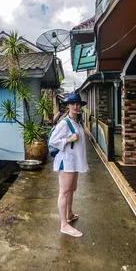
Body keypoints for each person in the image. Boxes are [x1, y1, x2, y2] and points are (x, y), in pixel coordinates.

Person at [48, 93, 88, 238]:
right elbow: (53, 141)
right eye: (73, 104)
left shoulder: (76, 121)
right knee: (64, 192)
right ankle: (64, 224)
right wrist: (68, 139)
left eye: (77, 104)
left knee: (72, 189)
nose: (75, 106)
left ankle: (69, 214)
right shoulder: (65, 123)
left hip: (74, 161)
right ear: (68, 106)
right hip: (66, 161)